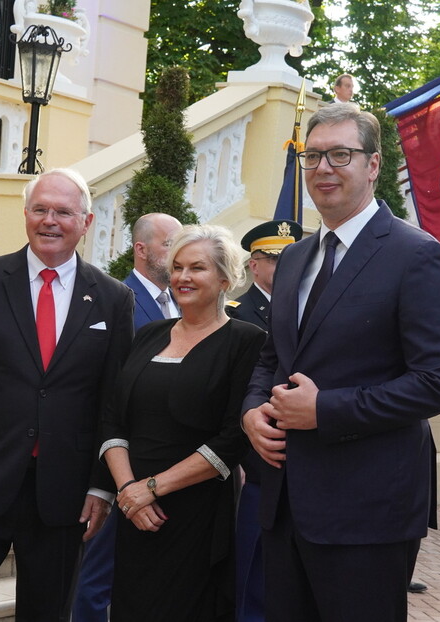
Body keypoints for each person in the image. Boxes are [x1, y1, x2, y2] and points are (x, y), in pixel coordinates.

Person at [241, 102, 440, 621]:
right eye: (313, 157)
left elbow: (438, 382)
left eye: (341, 154)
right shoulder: (295, 257)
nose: (323, 169)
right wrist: (252, 410)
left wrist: (326, 410)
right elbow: (272, 357)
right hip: (285, 500)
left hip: (368, 510)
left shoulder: (416, 255)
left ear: (373, 165)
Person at [0, 169, 134, 621]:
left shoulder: (113, 299)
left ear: (86, 221)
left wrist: (101, 484)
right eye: (40, 209)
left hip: (65, 496)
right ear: (25, 216)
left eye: (62, 211)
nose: (49, 221)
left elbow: (111, 402)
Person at [102, 224, 266, 621]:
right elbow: (112, 417)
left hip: (197, 515)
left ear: (226, 277)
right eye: (177, 267)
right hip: (135, 513)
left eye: (197, 268)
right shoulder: (149, 335)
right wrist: (129, 491)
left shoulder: (247, 341)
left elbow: (234, 437)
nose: (183, 277)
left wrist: (153, 489)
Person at [72, 212, 182, 622]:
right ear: (141, 249)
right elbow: (109, 394)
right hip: (124, 466)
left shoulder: (174, 302)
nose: (178, 254)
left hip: (163, 463)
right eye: (169, 244)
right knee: (95, 577)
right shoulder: (120, 300)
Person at [225, 219, 301, 622]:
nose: (286, 264)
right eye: (274, 259)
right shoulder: (238, 314)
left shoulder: (306, 306)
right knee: (253, 572)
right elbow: (234, 392)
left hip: (303, 458)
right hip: (257, 461)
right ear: (254, 265)